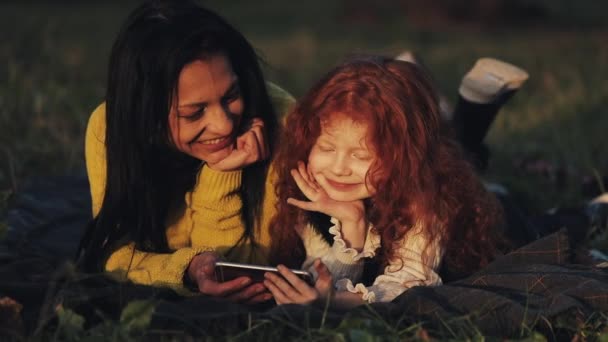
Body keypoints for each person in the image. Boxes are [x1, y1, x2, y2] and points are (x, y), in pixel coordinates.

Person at [76, 0, 294, 303]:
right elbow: (113, 254)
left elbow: (250, 270)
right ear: (145, 114)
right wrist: (188, 269)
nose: (223, 125)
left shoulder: (279, 118)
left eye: (231, 95)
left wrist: (220, 176)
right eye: (194, 113)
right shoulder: (110, 129)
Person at [263, 57, 504, 309]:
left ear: (401, 158)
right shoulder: (313, 190)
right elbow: (325, 278)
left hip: (493, 218)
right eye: (326, 147)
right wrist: (352, 227)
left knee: (468, 163)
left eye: (361, 155)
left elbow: (408, 285)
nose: (338, 168)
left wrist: (334, 302)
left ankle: (473, 112)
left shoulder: (422, 201)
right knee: (454, 150)